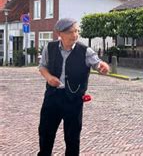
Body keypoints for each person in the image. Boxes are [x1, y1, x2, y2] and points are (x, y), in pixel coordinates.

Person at [38, 18, 110, 155]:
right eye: (71, 32)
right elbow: (42, 67)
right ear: (60, 33)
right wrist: (48, 77)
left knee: (72, 138)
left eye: (77, 31)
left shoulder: (85, 51)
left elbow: (98, 64)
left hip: (74, 100)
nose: (75, 35)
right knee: (45, 133)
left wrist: (103, 67)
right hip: (52, 97)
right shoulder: (50, 48)